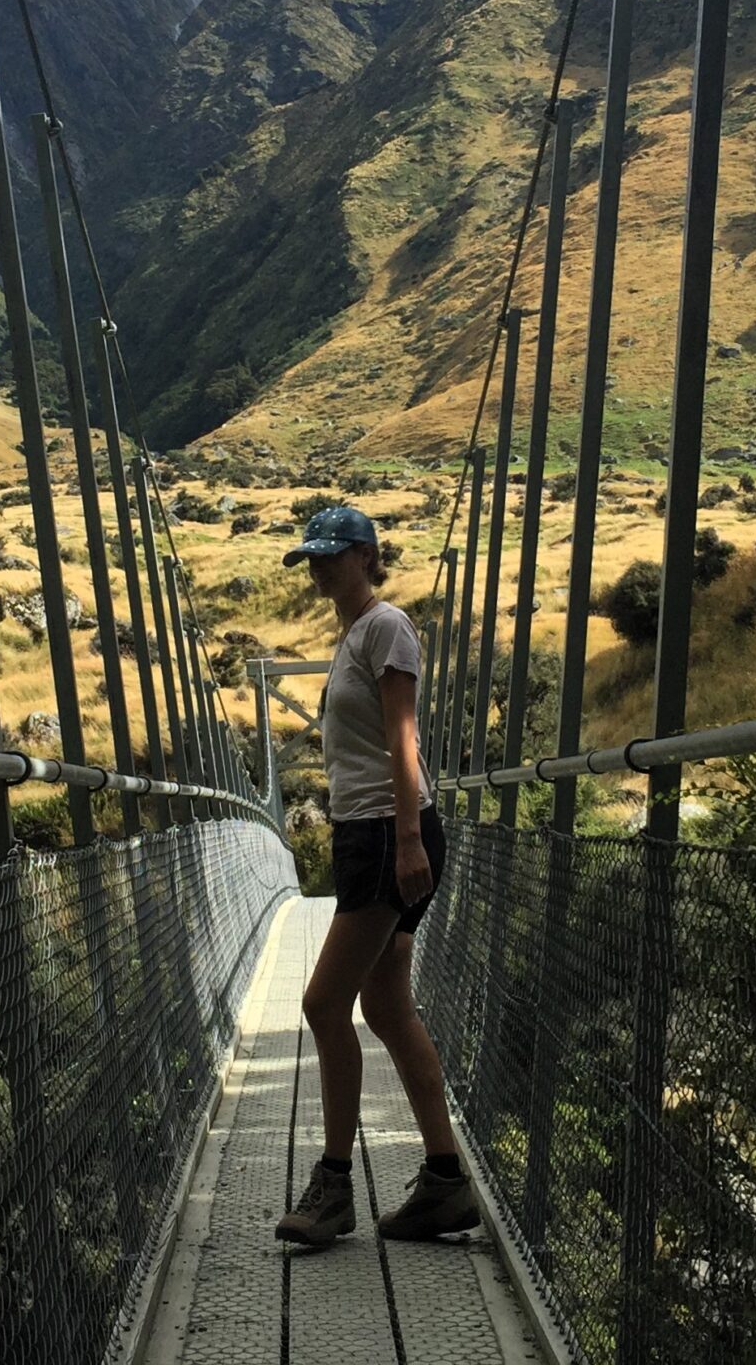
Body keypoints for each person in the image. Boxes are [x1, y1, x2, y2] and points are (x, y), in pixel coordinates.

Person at [273, 504, 479, 1248]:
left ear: (368, 555)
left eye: (332, 555)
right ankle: (446, 1183)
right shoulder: (355, 636)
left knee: (325, 1004)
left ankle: (333, 1186)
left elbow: (403, 734)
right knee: (387, 1011)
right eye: (312, 558)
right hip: (372, 832)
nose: (321, 568)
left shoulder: (386, 626)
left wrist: (405, 841)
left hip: (389, 834)